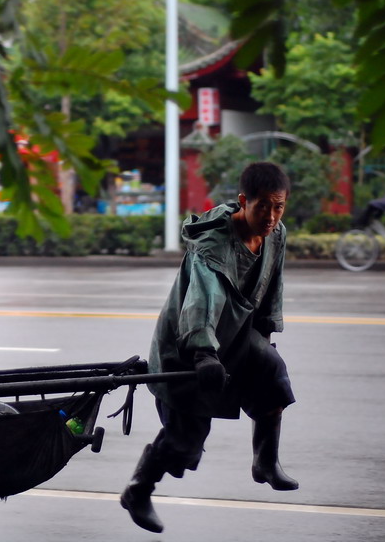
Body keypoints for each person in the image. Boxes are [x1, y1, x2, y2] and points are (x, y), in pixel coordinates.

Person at [120, 162, 297, 534]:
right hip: (188, 343)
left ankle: (265, 460)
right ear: (243, 202)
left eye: (278, 206)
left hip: (237, 333)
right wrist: (203, 351)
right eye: (263, 206)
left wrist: (265, 332)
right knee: (185, 444)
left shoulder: (276, 234)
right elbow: (202, 300)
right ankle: (138, 489)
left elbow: (272, 286)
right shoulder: (214, 245)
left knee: (272, 369)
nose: (270, 216)